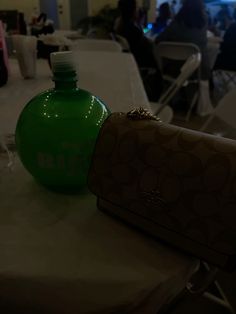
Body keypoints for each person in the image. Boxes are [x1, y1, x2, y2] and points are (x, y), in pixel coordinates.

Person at [114, 0, 163, 101]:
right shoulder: (134, 30)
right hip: (140, 63)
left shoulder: (119, 26)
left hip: (129, 62)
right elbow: (145, 48)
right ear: (133, 11)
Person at [155, 0, 210, 80]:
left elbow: (158, 40)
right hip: (200, 70)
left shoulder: (177, 22)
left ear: (183, 5)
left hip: (176, 71)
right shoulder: (204, 22)